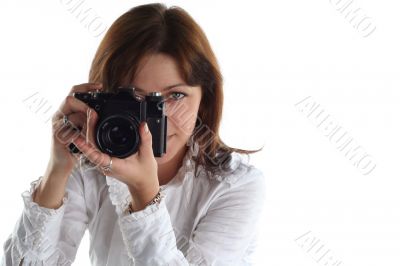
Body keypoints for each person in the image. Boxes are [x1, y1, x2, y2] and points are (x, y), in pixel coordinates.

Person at [1, 3, 266, 265]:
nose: (155, 121)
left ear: (204, 100)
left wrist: (144, 192)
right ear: (105, 97)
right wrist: (57, 169)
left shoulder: (235, 184)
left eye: (175, 95)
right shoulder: (91, 168)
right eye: (136, 98)